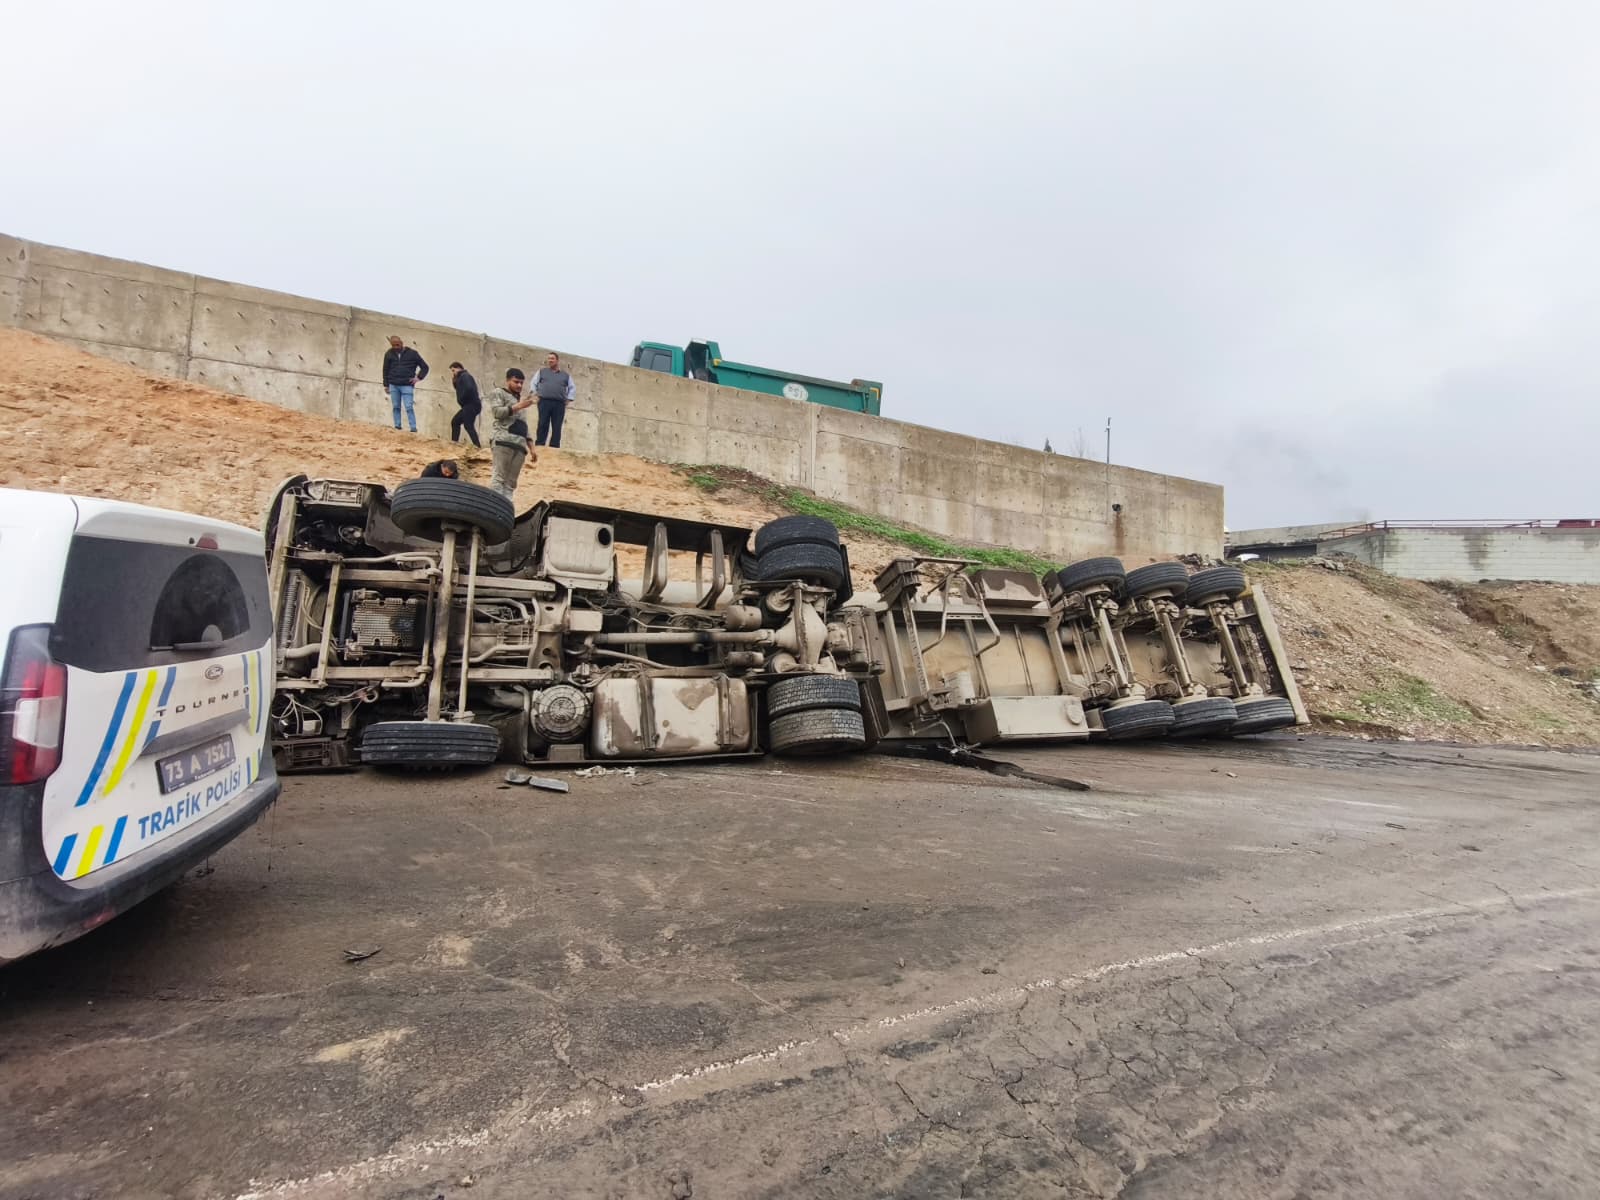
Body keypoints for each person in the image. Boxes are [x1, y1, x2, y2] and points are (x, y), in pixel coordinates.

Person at [487, 368, 537, 499]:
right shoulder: (499, 393)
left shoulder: (519, 400)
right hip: (503, 440)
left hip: (519, 446)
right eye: (516, 382)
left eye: (521, 383)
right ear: (508, 380)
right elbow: (497, 412)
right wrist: (519, 406)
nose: (519, 385)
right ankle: (495, 509)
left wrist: (532, 448)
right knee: (499, 478)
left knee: (510, 484)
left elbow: (524, 424)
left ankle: (505, 513)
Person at [381, 335, 429, 432]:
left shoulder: (413, 354)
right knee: (396, 407)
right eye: (393, 345)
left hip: (407, 385)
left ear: (402, 343)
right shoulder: (389, 354)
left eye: (397, 345)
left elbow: (425, 367)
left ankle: (413, 428)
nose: (396, 347)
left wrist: (418, 378)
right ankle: (397, 426)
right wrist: (386, 384)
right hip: (393, 384)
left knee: (409, 407)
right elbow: (385, 369)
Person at [532, 352, 575, 449]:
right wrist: (536, 395)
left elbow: (572, 387)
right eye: (549, 358)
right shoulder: (541, 372)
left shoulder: (565, 375)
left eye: (552, 358)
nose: (550, 360)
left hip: (559, 404)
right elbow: (533, 383)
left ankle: (554, 447)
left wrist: (569, 399)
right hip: (544, 402)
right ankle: (539, 445)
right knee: (542, 423)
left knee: (557, 426)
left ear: (557, 360)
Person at [447, 361, 481, 447]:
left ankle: (477, 446)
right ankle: (454, 442)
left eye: (453, 370)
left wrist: (462, 398)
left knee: (468, 425)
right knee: (455, 422)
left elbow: (469, 388)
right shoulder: (461, 377)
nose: (453, 373)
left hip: (471, 405)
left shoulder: (465, 376)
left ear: (459, 368)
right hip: (469, 405)